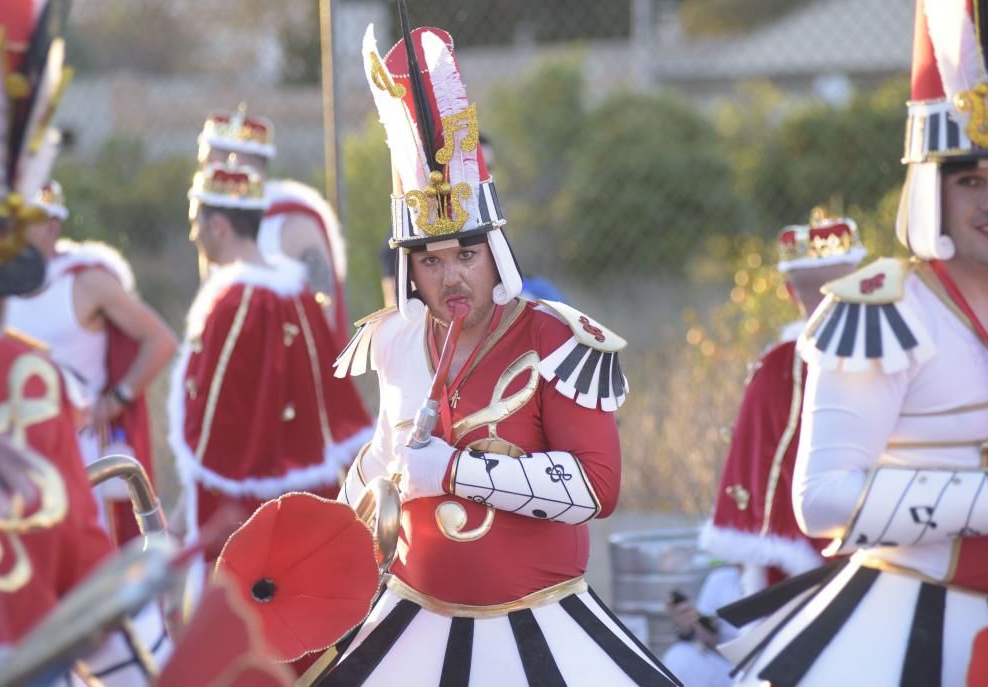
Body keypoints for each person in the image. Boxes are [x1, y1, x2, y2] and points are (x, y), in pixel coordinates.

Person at [312, 19, 679, 686]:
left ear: (496, 253)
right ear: (409, 270)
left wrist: (454, 470)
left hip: (543, 624)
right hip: (410, 618)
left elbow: (598, 485)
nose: (451, 275)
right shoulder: (396, 338)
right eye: (430, 260)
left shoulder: (557, 337)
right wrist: (336, 528)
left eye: (467, 254)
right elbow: (377, 458)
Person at [720, 2, 988, 684]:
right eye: (971, 180)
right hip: (911, 618)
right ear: (932, 186)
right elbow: (824, 498)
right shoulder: (884, 307)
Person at [0, 3, 170, 681]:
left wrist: (117, 394)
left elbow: (158, 339)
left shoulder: (79, 288)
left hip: (69, 438)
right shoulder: (22, 372)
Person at [662, 215, 867, 687]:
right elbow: (756, 462)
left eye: (831, 283)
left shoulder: (890, 353)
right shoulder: (778, 366)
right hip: (794, 551)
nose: (820, 297)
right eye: (808, 286)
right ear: (792, 292)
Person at [168, 160, 372, 562]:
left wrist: (177, 529)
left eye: (197, 223)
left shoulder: (232, 304)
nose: (193, 234)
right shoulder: (296, 293)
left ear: (219, 228)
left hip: (241, 516)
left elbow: (212, 436)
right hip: (303, 498)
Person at [6, 179, 178, 545]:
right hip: (14, 446)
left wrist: (117, 399)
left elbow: (160, 340)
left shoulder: (86, 282)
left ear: (53, 225)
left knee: (88, 553)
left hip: (80, 444)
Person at [197, 105, 351, 345]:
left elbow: (325, 319)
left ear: (233, 162)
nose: (203, 172)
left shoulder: (295, 225)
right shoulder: (218, 228)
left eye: (208, 162)